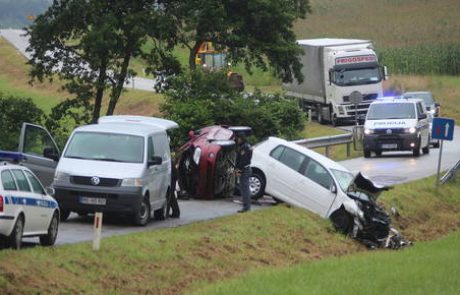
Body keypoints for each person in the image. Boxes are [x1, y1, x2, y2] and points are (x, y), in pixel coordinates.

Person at [235, 134, 253, 213]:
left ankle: (246, 207)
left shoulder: (244, 147)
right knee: (245, 188)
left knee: (244, 189)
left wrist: (237, 171)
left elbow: (242, 161)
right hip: (246, 168)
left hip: (244, 170)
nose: (237, 140)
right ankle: (246, 206)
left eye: (238, 138)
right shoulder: (248, 146)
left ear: (242, 139)